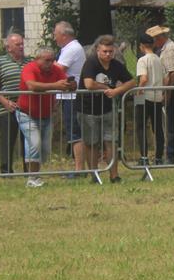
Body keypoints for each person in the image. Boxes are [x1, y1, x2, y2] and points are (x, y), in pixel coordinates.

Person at [80, 34, 135, 182]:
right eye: (105, 51)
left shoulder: (116, 65)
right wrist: (106, 88)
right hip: (88, 109)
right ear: (98, 50)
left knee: (111, 142)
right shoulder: (90, 63)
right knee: (92, 143)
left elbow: (131, 82)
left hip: (108, 109)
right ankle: (95, 175)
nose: (108, 54)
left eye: (110, 51)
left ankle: (114, 175)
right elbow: (89, 84)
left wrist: (117, 91)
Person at [18, 46, 74, 187]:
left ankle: (35, 175)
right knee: (34, 144)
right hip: (26, 114)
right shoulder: (29, 68)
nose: (50, 63)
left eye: (52, 60)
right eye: (47, 60)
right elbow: (32, 86)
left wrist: (71, 84)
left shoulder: (56, 70)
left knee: (45, 149)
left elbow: (67, 84)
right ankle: (32, 179)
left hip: (46, 115)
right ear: (37, 59)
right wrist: (55, 85)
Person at [0, 32, 29, 174]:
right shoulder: (0, 62)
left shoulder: (30, 61)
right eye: (18, 44)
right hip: (7, 108)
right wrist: (4, 101)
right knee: (7, 140)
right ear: (9, 47)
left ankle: (29, 170)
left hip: (26, 107)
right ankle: (6, 171)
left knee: (28, 140)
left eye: (22, 44)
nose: (21, 47)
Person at [149, 24, 174, 164]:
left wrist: (168, 93)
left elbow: (173, 73)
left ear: (158, 38)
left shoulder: (169, 49)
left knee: (173, 125)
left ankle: (173, 155)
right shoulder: (169, 48)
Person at [53, 21, 86, 174]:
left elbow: (57, 70)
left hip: (72, 96)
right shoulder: (69, 48)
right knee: (73, 131)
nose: (54, 38)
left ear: (64, 35)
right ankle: (78, 167)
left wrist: (51, 64)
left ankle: (79, 169)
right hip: (68, 95)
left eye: (56, 35)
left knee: (74, 132)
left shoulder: (71, 49)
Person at [134, 32, 166, 165]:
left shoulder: (142, 60)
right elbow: (165, 78)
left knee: (140, 126)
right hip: (157, 96)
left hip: (144, 95)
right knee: (157, 127)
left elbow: (144, 78)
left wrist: (138, 91)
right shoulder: (158, 59)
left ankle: (144, 157)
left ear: (141, 46)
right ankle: (159, 157)